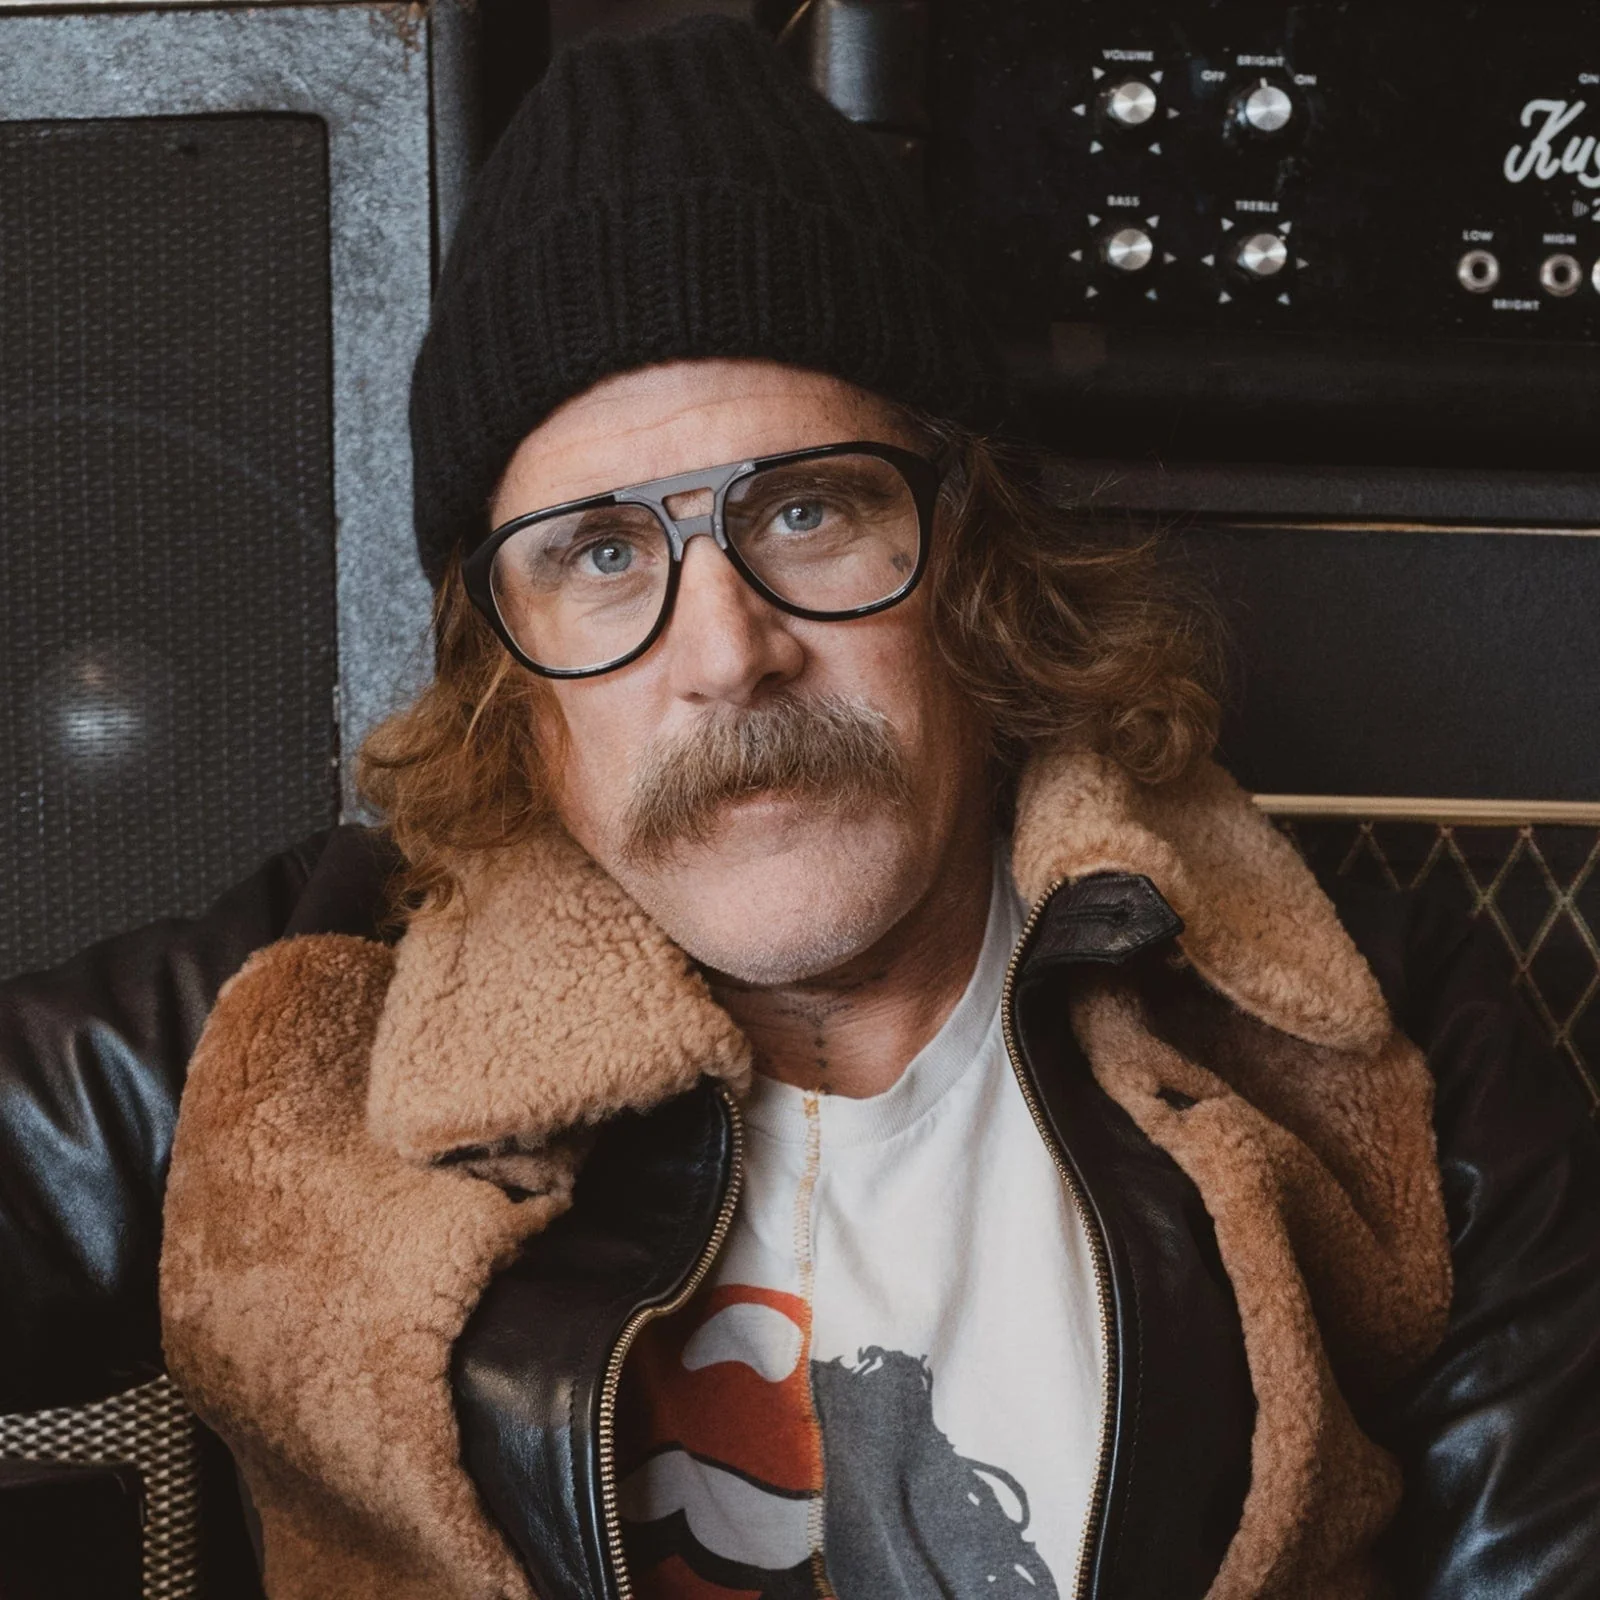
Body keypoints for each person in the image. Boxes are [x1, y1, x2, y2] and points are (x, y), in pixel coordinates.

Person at [3, 17, 1598, 1600]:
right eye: (601, 554)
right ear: (509, 674)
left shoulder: (1386, 1050)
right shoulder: (301, 1014)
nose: (728, 654)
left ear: (973, 562)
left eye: (808, 510)